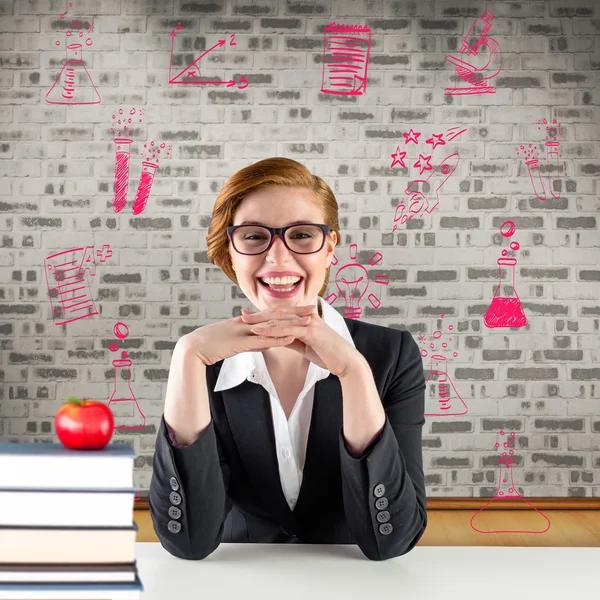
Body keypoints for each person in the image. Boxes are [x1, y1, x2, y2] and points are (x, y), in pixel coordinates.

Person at [148, 157, 427, 561]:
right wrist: (187, 357)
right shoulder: (203, 364)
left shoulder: (391, 356)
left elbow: (393, 540)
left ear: (330, 247)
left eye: (301, 235)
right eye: (254, 236)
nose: (278, 260)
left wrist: (354, 372)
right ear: (231, 249)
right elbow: (187, 542)